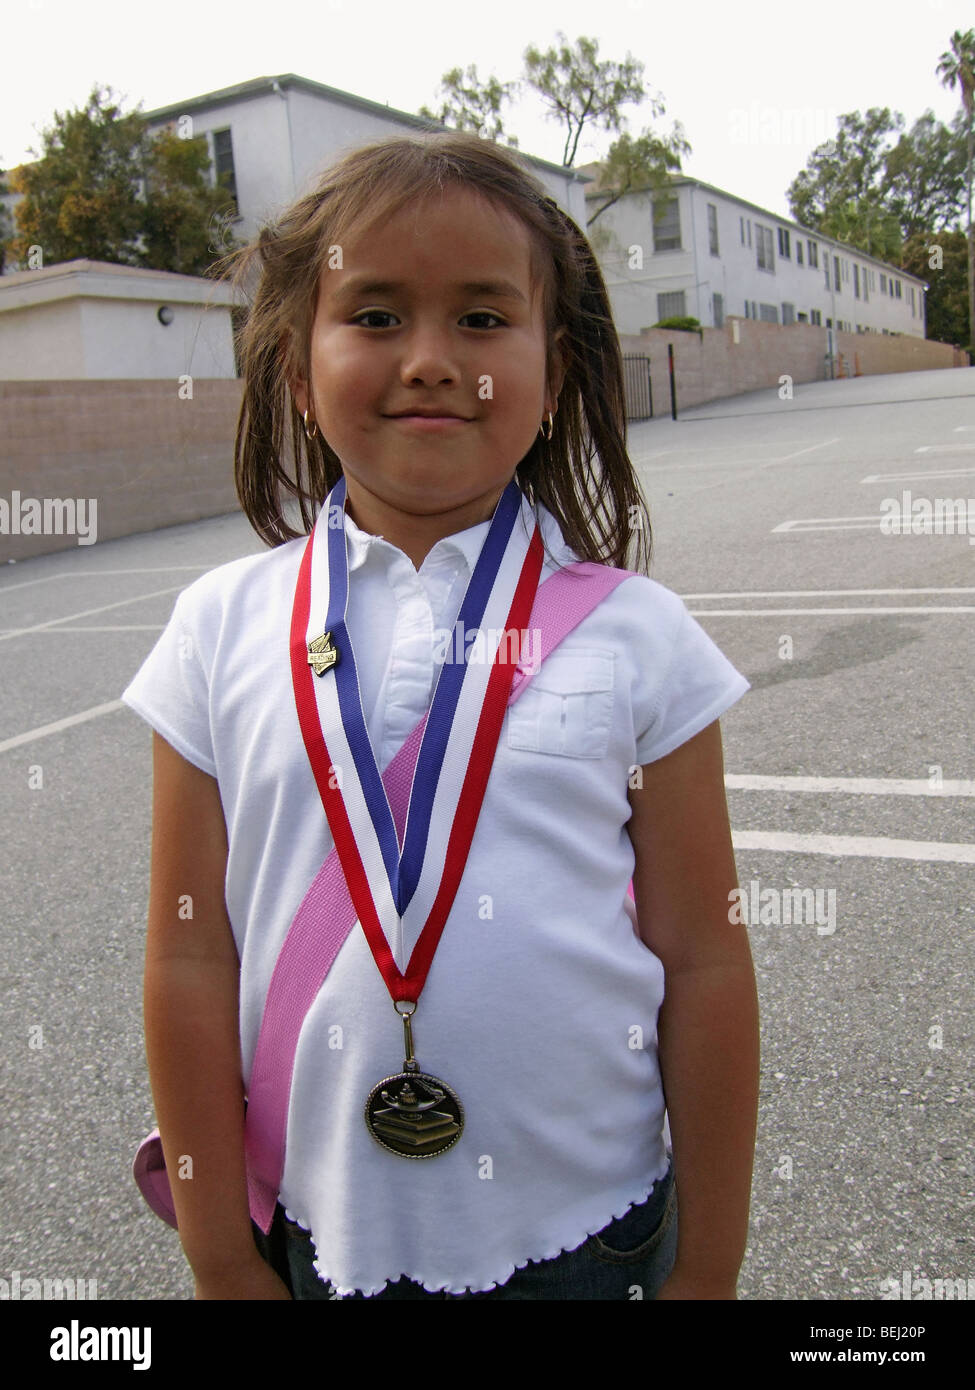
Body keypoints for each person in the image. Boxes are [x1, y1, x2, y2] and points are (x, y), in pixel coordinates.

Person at [122, 131, 759, 1301]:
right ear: (296, 367)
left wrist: (709, 1265)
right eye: (372, 315)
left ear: (553, 369)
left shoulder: (643, 638)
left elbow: (706, 956)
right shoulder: (216, 628)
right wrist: (218, 1250)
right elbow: (188, 952)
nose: (428, 359)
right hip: (317, 1237)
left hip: (590, 1238)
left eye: (480, 317)